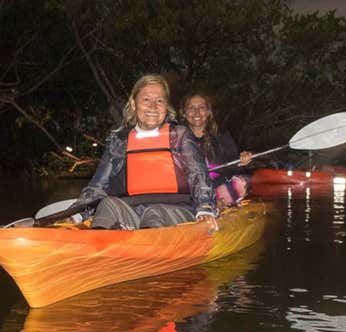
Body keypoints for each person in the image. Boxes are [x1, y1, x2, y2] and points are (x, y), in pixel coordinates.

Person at [75, 74, 218, 231]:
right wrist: (78, 211)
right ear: (134, 104)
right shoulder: (119, 141)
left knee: (154, 212)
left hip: (177, 210)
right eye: (146, 100)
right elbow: (97, 187)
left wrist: (205, 206)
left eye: (160, 101)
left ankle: (145, 247)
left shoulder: (180, 136)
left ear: (166, 106)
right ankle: (98, 243)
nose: (153, 106)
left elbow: (199, 175)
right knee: (108, 204)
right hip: (132, 211)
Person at [180, 93, 252, 208]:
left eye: (202, 107)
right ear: (184, 113)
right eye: (191, 108)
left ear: (208, 112)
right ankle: (208, 204)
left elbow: (233, 163)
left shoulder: (221, 135)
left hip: (217, 186)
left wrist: (242, 160)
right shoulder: (176, 138)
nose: (197, 112)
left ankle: (217, 202)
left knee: (242, 182)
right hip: (191, 190)